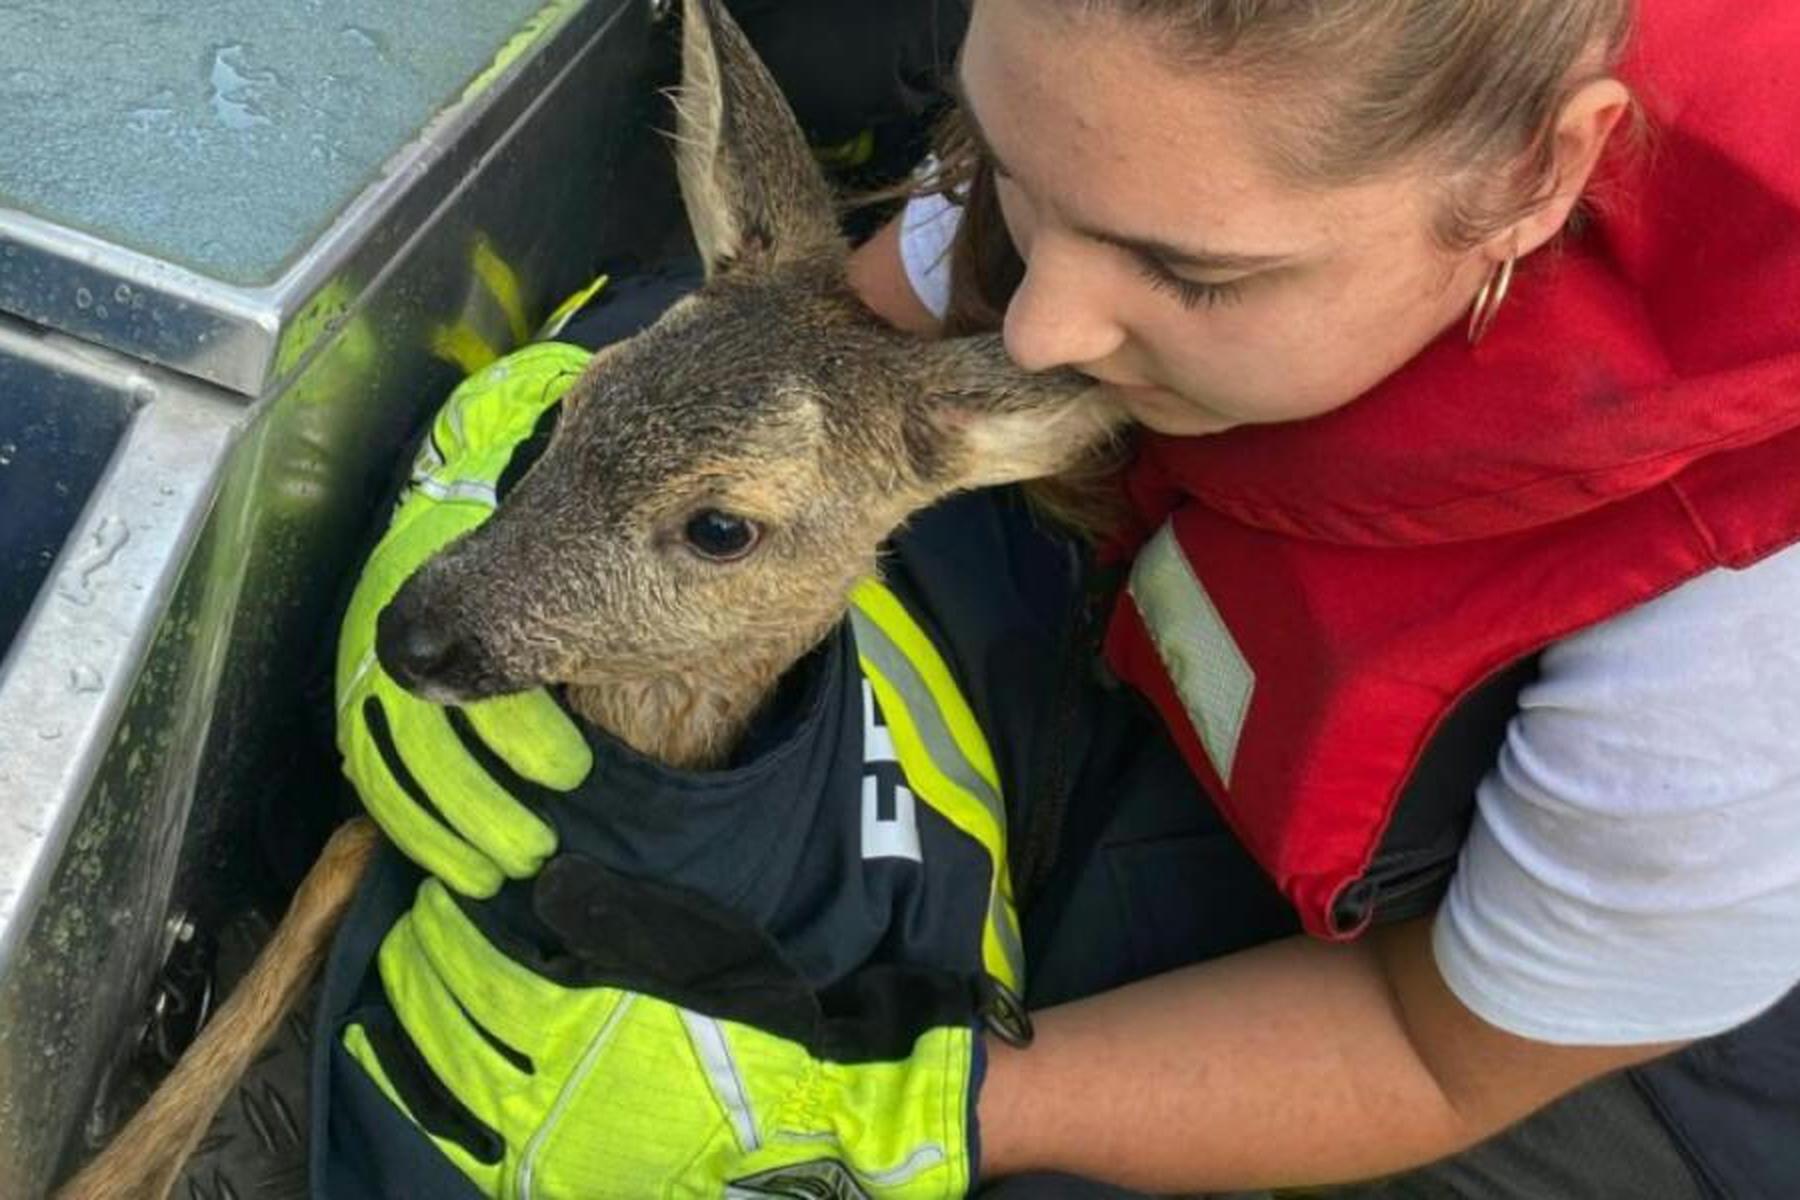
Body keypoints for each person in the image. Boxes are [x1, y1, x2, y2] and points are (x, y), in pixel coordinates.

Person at [326, 0, 1800, 1195]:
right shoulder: (1150, 125)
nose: (1041, 323)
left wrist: (912, 1107)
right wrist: (514, 485)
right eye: (1014, 175)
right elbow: (812, 342)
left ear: (1536, 179)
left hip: (1579, 1048)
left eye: (1188, 271)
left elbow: (1441, 1052)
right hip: (1206, 661)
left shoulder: (1738, 625)